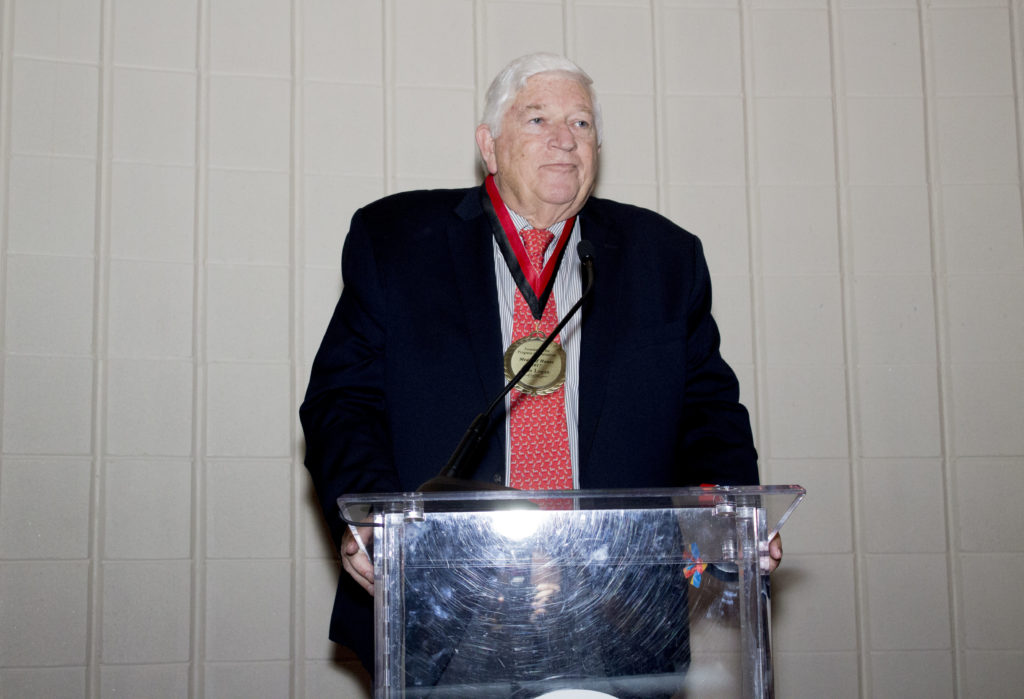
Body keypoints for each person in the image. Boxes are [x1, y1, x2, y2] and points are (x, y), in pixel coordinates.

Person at [299, 52, 782, 678]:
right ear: (489, 147)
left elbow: (709, 416)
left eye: (581, 124)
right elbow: (342, 402)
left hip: (618, 618)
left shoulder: (664, 259)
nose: (564, 140)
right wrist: (372, 520)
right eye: (537, 120)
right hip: (442, 609)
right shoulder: (395, 241)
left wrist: (727, 522)